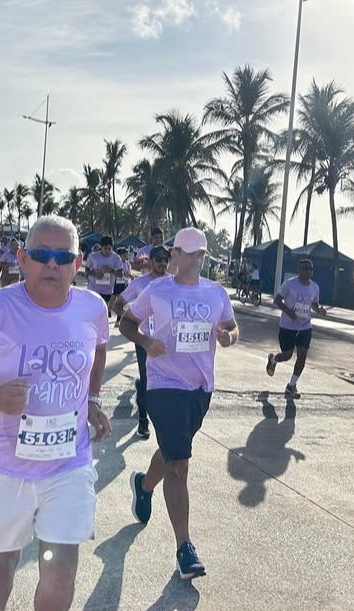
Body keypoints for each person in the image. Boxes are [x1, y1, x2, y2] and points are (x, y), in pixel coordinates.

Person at [0, 215, 112, 611]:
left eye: (62, 256)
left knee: (62, 569)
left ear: (77, 264)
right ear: (22, 258)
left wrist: (92, 400)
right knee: (0, 567)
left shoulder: (92, 308)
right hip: (4, 465)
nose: (52, 264)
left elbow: (98, 350)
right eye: (41, 254)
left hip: (68, 463)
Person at [120, 227, 238, 580]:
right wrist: (144, 340)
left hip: (200, 388)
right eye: (191, 252)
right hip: (163, 384)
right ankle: (184, 548)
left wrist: (227, 337)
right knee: (179, 465)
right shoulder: (157, 290)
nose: (198, 258)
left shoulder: (216, 293)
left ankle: (143, 485)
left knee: (175, 453)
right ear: (176, 254)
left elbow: (232, 326)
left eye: (202, 253)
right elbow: (126, 321)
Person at [111, 246, 170, 440]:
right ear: (151, 262)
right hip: (145, 340)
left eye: (165, 259)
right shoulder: (140, 284)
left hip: (169, 342)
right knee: (146, 381)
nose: (162, 263)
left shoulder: (174, 283)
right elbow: (117, 304)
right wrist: (131, 319)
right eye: (158, 259)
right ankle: (143, 421)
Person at [265, 259, 327, 398]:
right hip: (287, 326)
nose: (307, 271)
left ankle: (291, 385)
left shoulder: (315, 287)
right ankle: (273, 360)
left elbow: (314, 305)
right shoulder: (290, 284)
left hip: (305, 327)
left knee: (302, 355)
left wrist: (320, 311)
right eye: (304, 268)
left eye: (310, 269)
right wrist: (289, 311)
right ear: (299, 270)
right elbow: (277, 300)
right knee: (287, 355)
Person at [85, 236, 124, 317]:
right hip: (93, 288)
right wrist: (95, 274)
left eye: (109, 249)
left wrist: (111, 270)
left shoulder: (116, 258)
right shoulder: (93, 256)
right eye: (105, 248)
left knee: (102, 313)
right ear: (101, 247)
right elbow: (87, 269)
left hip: (107, 290)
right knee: (92, 312)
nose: (107, 251)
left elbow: (121, 274)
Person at [113, 247, 132, 327]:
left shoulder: (128, 264)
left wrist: (131, 276)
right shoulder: (116, 263)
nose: (126, 257)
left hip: (124, 284)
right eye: (124, 255)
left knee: (121, 303)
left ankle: (118, 320)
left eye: (126, 256)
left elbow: (128, 273)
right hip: (116, 283)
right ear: (119, 255)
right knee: (112, 302)